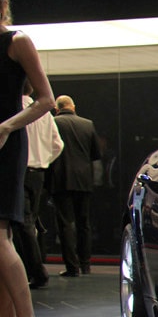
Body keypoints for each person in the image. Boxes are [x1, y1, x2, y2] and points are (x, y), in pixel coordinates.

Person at [0, 0, 54, 317]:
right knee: (1, 240)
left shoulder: (17, 41)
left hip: (6, 145)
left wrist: (6, 127)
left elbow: (45, 99)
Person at [14, 81, 63, 289]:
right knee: (30, 222)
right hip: (38, 173)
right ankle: (32, 270)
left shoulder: (15, 110)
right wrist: (43, 160)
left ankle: (36, 272)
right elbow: (58, 145)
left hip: (19, 172)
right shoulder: (45, 114)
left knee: (22, 224)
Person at [50, 95, 101, 277]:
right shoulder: (87, 124)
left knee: (65, 224)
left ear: (57, 109)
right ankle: (85, 264)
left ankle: (72, 266)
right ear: (73, 107)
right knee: (83, 223)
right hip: (83, 179)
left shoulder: (53, 123)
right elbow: (96, 153)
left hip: (61, 178)